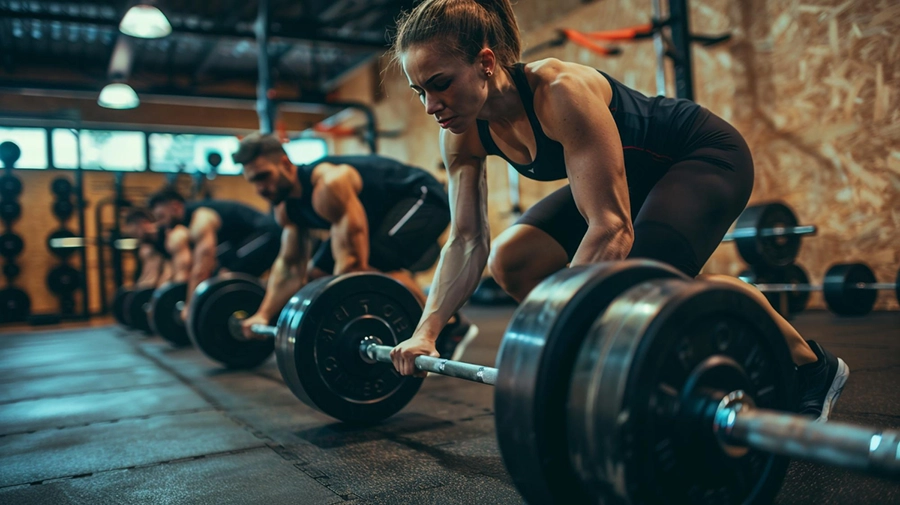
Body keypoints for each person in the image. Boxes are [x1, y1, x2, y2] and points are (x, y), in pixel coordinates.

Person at [388, 0, 847, 421]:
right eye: (418, 92)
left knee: (656, 286)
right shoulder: (461, 132)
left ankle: (811, 366)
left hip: (700, 155)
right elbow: (468, 240)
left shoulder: (558, 92)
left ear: (485, 63)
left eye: (440, 84)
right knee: (512, 258)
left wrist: (557, 331)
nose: (431, 106)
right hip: (635, 174)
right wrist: (426, 331)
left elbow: (610, 227)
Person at [231, 133, 477, 361]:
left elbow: (352, 264)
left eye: (264, 176)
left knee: (375, 263)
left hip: (421, 196)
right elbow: (290, 266)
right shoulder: (286, 208)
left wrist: (339, 326)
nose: (260, 189)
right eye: (253, 181)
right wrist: (263, 314)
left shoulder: (328, 184)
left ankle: (453, 327)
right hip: (377, 215)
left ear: (285, 164)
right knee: (317, 274)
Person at [147, 187, 282, 320]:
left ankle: (260, 315)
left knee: (226, 276)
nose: (160, 224)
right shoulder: (187, 223)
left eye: (161, 216)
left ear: (175, 207)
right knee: (219, 274)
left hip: (269, 234)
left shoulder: (201, 217)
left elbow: (203, 263)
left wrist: (190, 306)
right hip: (241, 242)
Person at [122, 208, 191, 287]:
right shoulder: (148, 247)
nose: (136, 239)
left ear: (142, 223)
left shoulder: (172, 236)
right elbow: (148, 279)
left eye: (135, 234)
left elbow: (177, 274)